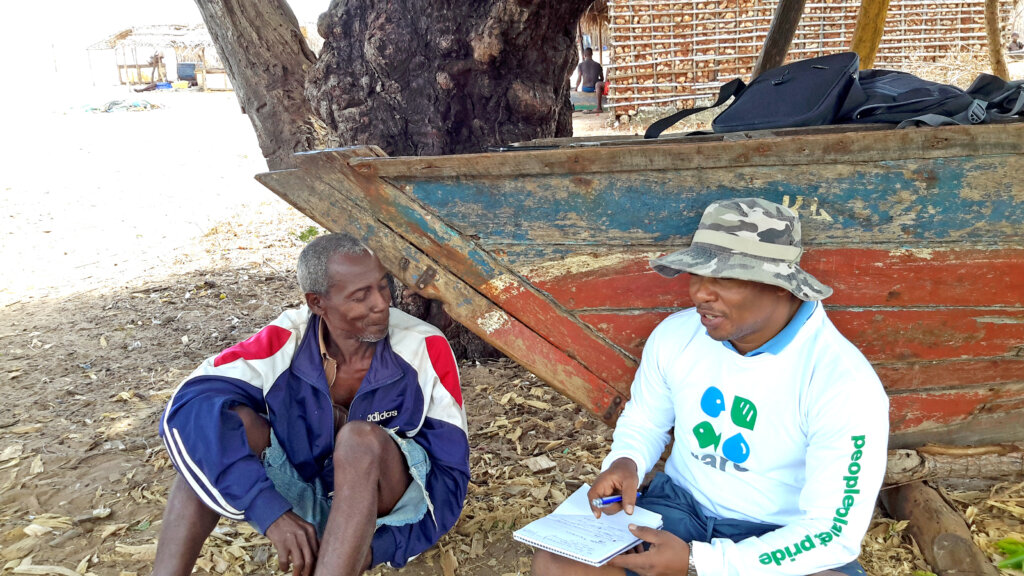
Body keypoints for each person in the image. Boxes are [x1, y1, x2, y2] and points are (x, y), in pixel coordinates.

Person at [532, 198, 889, 576]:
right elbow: (645, 421)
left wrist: (695, 562)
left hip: (777, 534)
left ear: (782, 286)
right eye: (697, 275)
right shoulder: (677, 335)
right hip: (678, 509)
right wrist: (627, 461)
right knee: (558, 564)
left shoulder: (843, 384)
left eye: (724, 278)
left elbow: (833, 535)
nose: (700, 293)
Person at [153, 233, 470, 576]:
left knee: (358, 440)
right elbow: (188, 407)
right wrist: (269, 511)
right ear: (317, 303)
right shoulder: (285, 339)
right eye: (361, 296)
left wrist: (376, 549)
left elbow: (451, 475)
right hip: (301, 488)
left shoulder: (425, 346)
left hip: (383, 509)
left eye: (382, 286)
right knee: (209, 443)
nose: (381, 304)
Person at [575, 47, 606, 114]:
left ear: (584, 55)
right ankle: (598, 106)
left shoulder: (580, 65)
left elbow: (579, 78)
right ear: (592, 54)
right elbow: (602, 78)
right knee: (598, 83)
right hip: (595, 89)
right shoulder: (598, 65)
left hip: (585, 89)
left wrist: (576, 88)